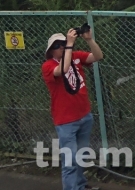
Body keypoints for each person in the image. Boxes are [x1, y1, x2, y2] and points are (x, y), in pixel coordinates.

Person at [42, 27, 104, 190]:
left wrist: (89, 40)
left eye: (63, 43)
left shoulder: (76, 57)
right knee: (70, 161)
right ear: (51, 51)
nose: (61, 47)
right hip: (66, 121)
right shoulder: (48, 66)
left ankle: (81, 185)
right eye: (57, 45)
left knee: (80, 156)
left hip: (84, 115)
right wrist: (69, 44)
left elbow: (98, 56)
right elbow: (62, 69)